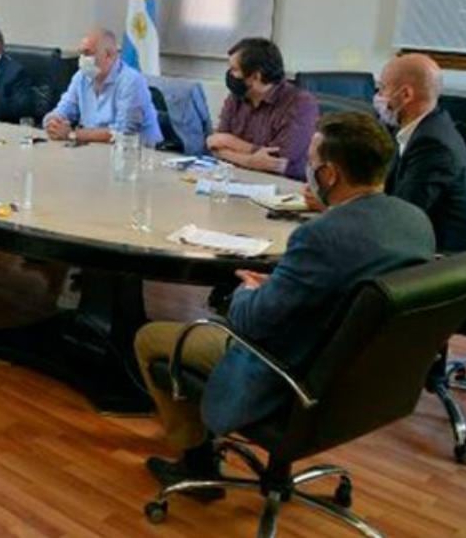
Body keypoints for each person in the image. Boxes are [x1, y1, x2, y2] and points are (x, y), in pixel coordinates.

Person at [134, 112, 435, 497]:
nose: (306, 170)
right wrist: (282, 284)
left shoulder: (319, 237)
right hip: (361, 380)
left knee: (150, 339)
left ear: (329, 176)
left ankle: (196, 463)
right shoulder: (414, 221)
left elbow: (250, 323)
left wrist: (246, 292)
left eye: (311, 164)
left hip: (289, 372)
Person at [376, 54, 466, 252]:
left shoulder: (433, 144)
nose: (378, 97)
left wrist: (341, 209)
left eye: (383, 88)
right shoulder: (423, 128)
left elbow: (401, 217)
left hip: (444, 261)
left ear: (406, 95)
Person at [207, 38, 319, 180]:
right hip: (238, 178)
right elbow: (215, 146)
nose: (230, 75)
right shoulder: (237, 96)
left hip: (284, 186)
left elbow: (277, 160)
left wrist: (230, 142)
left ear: (255, 76)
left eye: (234, 70)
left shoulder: (300, 104)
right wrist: (250, 160)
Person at [43, 28, 163, 147]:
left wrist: (73, 134)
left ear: (108, 55)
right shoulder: (81, 77)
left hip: (139, 156)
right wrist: (52, 123)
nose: (81, 59)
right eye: (81, 53)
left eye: (87, 53)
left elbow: (123, 132)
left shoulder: (131, 81)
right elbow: (62, 111)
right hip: (96, 152)